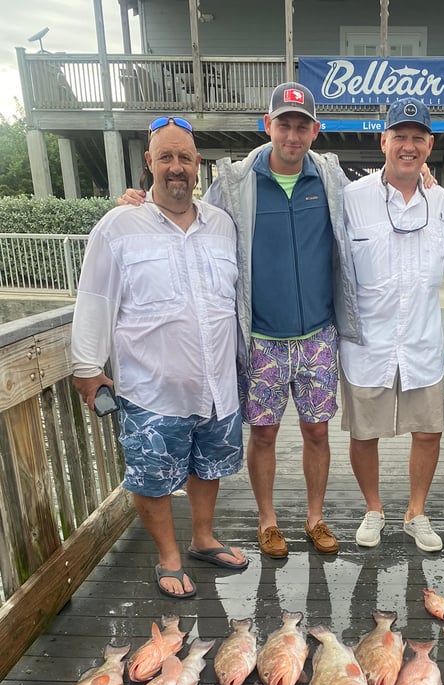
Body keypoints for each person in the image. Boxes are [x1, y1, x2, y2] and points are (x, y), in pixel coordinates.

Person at [122, 83, 363, 559]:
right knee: (265, 434)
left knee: (318, 431)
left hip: (318, 334)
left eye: (301, 125)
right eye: (283, 124)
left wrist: (425, 183)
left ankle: (315, 518)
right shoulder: (233, 183)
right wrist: (141, 206)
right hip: (260, 338)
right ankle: (267, 519)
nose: (292, 135)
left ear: (315, 130)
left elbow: (375, 204)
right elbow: (185, 210)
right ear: (267, 126)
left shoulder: (333, 181)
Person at [71, 116, 248, 599]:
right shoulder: (118, 226)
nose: (176, 168)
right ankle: (169, 557)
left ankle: (203, 538)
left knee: (208, 466)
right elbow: (95, 300)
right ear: (149, 162)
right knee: (150, 476)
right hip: (151, 387)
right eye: (166, 157)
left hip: (217, 383)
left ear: (198, 167)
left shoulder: (221, 225)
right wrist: (88, 370)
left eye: (185, 158)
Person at [338, 98, 444, 553]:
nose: (409, 146)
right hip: (369, 344)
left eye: (417, 138)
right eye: (399, 136)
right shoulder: (351, 198)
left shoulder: (443, 202)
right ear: (383, 140)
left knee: (428, 432)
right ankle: (374, 509)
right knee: (363, 433)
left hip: (423, 342)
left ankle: (416, 513)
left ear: (429, 144)